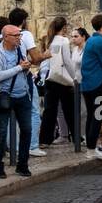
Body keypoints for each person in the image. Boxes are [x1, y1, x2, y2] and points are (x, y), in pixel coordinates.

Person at [0, 24, 35, 178]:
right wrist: (19, 68)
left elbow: (23, 68)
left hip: (22, 95)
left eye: (19, 35)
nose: (19, 38)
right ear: (6, 37)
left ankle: (22, 165)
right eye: (16, 35)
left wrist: (26, 68)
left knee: (27, 130)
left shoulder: (20, 50)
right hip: (4, 96)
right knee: (1, 132)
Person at [7, 8, 48, 158]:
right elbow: (35, 58)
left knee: (10, 114)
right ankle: (33, 145)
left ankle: (14, 146)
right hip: (24, 79)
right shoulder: (25, 35)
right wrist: (46, 55)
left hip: (8, 80)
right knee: (33, 111)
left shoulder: (3, 36)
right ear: (23, 21)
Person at [79, 13, 102, 161]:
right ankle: (92, 149)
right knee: (99, 117)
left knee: (91, 117)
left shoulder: (91, 40)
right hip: (99, 83)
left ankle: (90, 148)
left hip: (88, 84)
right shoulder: (101, 41)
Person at [42, 16, 79, 147]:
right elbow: (67, 62)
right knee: (70, 110)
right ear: (64, 27)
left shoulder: (50, 41)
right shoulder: (63, 41)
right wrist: (75, 77)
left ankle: (45, 140)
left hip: (51, 79)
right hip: (63, 81)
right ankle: (76, 137)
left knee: (49, 111)